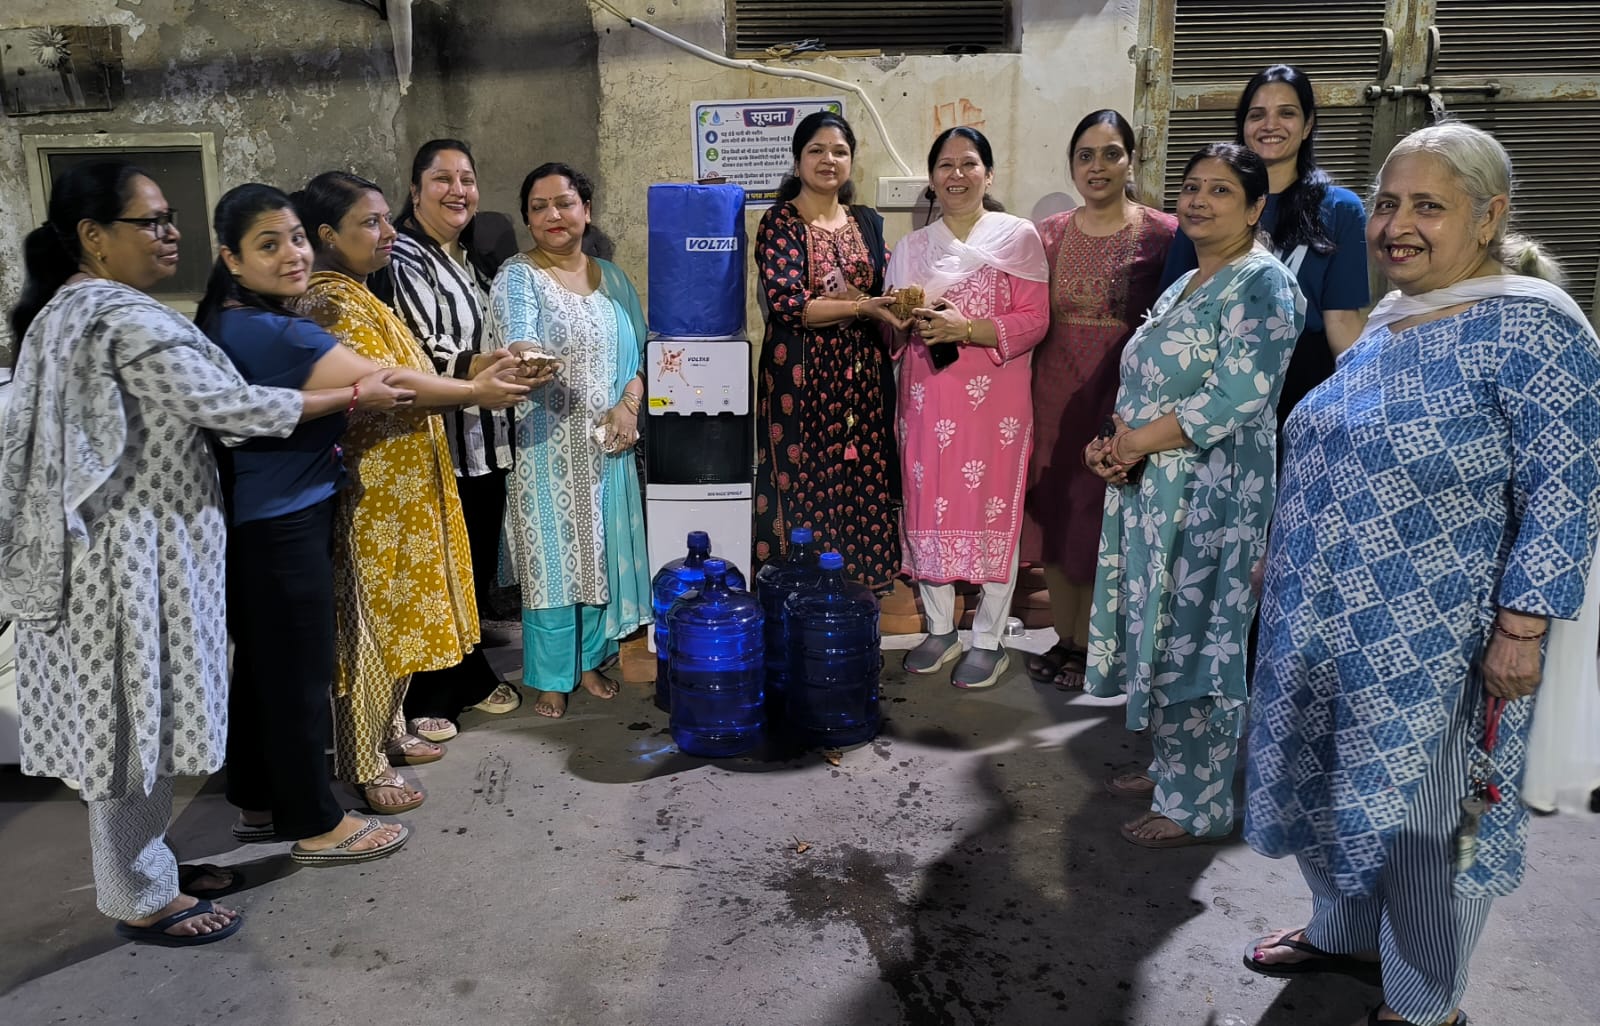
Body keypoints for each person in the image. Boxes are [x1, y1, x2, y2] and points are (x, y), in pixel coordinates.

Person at [1242, 122, 1600, 1026]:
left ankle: (1424, 1001)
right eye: (1390, 203)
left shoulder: (1535, 332)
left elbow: (1567, 491)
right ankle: (1344, 931)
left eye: (1428, 207)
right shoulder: (1394, 321)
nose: (1398, 225)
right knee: (1328, 793)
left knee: (1427, 831)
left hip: (1438, 648)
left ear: (1490, 217)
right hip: (1321, 627)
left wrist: (1522, 629)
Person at [0, 161, 388, 943]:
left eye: (172, 217)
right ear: (93, 237)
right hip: (125, 556)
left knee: (135, 718)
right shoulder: (116, 315)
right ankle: (139, 896)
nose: (169, 232)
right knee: (126, 727)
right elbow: (230, 408)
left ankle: (148, 865)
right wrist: (352, 396)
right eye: (150, 221)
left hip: (126, 548)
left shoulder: (78, 309)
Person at [199, 183, 536, 856]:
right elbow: (387, 383)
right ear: (232, 258)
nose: (290, 254)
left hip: (294, 504)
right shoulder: (291, 318)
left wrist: (469, 369)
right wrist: (475, 389)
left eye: (291, 238)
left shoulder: (278, 313)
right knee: (309, 669)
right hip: (291, 515)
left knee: (279, 670)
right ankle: (319, 818)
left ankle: (263, 802)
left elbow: (393, 372)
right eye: (272, 243)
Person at [1083, 143, 1305, 848]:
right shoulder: (1186, 283)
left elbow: (1237, 396)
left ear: (1255, 207)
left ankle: (1198, 802)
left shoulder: (1261, 284)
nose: (1199, 202)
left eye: (1220, 192)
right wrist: (1111, 447)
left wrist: (1134, 445)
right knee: (1163, 630)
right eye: (1191, 188)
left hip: (1214, 499)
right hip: (1155, 488)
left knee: (1200, 638)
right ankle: (1172, 765)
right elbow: (1147, 385)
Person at [292, 171, 532, 813]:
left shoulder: (362, 294)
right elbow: (391, 380)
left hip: (405, 484)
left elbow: (422, 368)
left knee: (396, 620)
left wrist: (483, 368)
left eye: (383, 219)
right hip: (374, 489)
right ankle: (362, 761)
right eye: (370, 223)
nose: (388, 232)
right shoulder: (329, 301)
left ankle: (387, 733)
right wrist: (478, 392)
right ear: (326, 235)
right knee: (370, 627)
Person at [487, 162, 652, 719]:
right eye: (539, 207)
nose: (553, 216)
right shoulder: (518, 275)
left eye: (564, 203)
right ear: (528, 219)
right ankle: (551, 674)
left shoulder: (614, 277)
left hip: (609, 446)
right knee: (552, 564)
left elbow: (641, 354)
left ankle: (587, 662)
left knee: (598, 558)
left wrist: (630, 408)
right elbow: (518, 337)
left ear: (586, 209)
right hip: (544, 447)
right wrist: (529, 357)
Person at [889, 127, 1050, 690]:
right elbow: (892, 333)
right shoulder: (911, 248)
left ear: (989, 173)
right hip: (926, 397)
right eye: (945, 165)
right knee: (928, 503)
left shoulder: (1018, 237)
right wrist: (895, 319)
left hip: (995, 403)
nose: (957, 174)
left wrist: (969, 327)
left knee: (989, 507)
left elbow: (1035, 320)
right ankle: (939, 627)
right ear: (931, 177)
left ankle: (989, 636)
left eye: (969, 163)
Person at [1020, 110, 1177, 690]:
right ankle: (1067, 639)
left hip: (1122, 397)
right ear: (1072, 164)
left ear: (1130, 160)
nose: (1097, 166)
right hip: (1053, 391)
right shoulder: (1049, 234)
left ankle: (1102, 646)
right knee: (1059, 516)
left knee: (1106, 518)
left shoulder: (1165, 233)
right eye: (1085, 155)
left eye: (1110, 153)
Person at [387, 139, 524, 741]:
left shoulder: (466, 260)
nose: (457, 190)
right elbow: (422, 351)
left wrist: (512, 357)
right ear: (415, 191)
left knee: (469, 566)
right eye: (441, 179)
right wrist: (482, 367)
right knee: (440, 570)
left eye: (467, 179)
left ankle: (467, 673)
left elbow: (479, 338)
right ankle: (429, 694)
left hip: (484, 440)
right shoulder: (405, 258)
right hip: (439, 438)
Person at [1160, 64, 1368, 435]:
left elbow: (1343, 322)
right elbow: (1173, 315)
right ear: (1243, 126)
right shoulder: (1205, 207)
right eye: (1257, 115)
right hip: (1210, 388)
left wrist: (1361, 400)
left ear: (1307, 126)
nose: (1270, 125)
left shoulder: (1340, 209)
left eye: (1286, 113)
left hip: (1302, 388)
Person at [754, 111, 906, 589]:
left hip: (861, 379)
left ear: (851, 162)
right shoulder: (781, 221)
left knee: (862, 473)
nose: (828, 159)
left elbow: (886, 286)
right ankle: (798, 594)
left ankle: (860, 594)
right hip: (800, 381)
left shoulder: (866, 221)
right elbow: (788, 305)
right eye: (816, 150)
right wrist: (864, 307)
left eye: (839, 151)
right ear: (797, 161)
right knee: (803, 482)